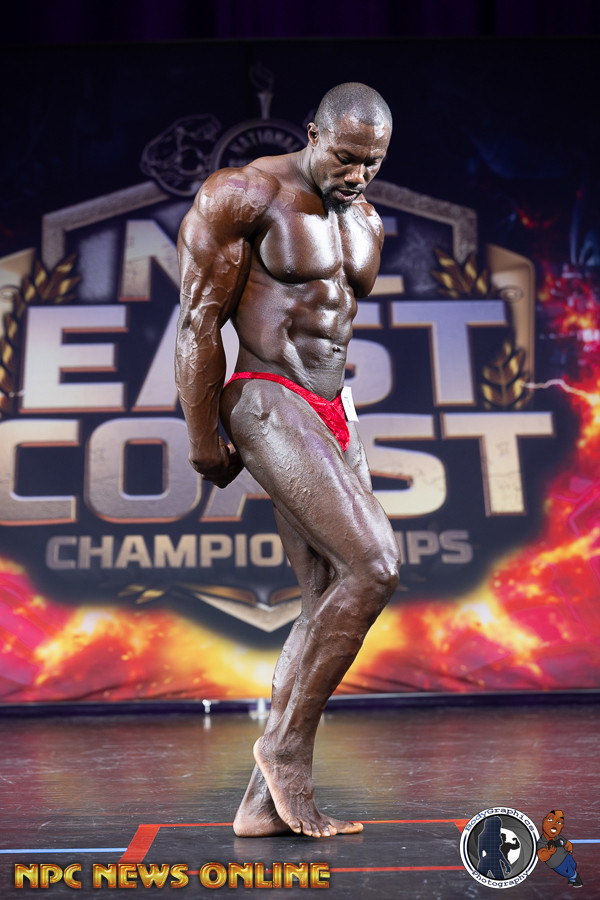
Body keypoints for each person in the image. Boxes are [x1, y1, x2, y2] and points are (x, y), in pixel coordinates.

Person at [176, 82, 400, 839]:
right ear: (312, 133)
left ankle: (259, 803)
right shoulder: (246, 194)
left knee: (330, 593)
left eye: (372, 163)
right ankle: (285, 749)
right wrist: (203, 437)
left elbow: (335, 324)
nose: (357, 175)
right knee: (375, 565)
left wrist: (341, 422)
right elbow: (199, 320)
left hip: (334, 410)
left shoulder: (367, 221)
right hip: (268, 394)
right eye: (345, 157)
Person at [537, 810, 583, 888]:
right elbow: (541, 856)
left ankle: (572, 879)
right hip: (556, 864)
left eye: (559, 822)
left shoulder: (558, 837)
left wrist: (570, 851)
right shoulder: (542, 842)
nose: (554, 824)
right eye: (550, 819)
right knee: (568, 873)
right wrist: (549, 852)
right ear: (544, 821)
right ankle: (576, 878)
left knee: (573, 865)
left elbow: (567, 843)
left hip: (566, 856)